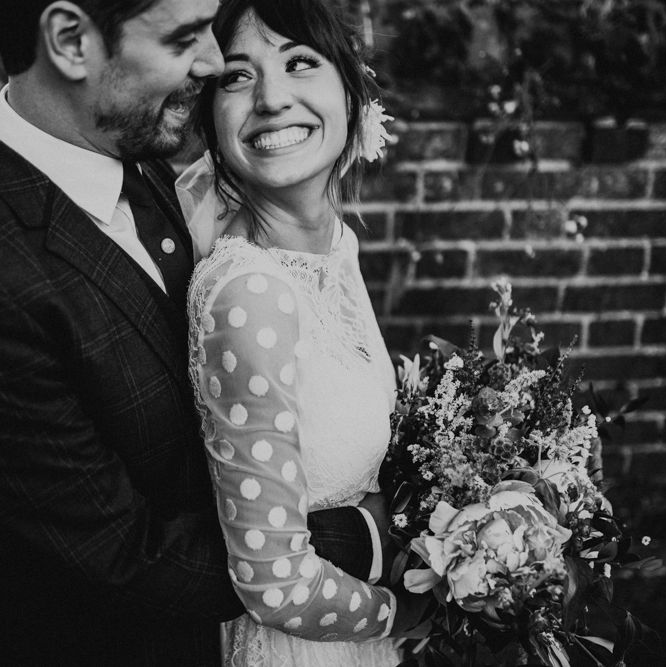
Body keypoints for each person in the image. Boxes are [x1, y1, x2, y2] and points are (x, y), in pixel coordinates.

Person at [0, 1, 411, 664]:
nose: (214, 63)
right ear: (72, 41)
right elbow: (121, 554)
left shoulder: (131, 153)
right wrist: (375, 548)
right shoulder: (12, 274)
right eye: (185, 37)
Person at [177, 0, 421, 664]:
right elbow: (273, 583)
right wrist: (422, 607)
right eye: (236, 76)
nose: (271, 98)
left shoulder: (336, 247)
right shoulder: (247, 292)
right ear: (208, 114)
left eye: (300, 63)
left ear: (349, 90)